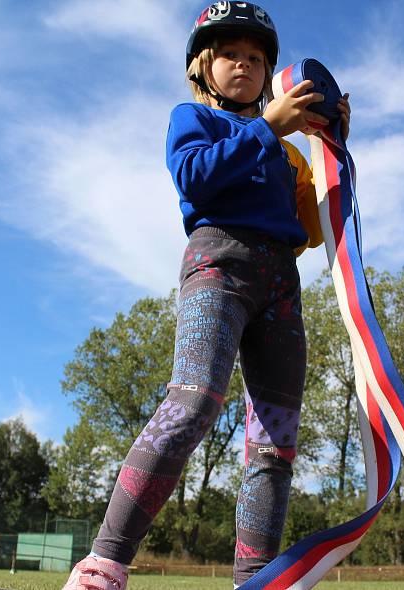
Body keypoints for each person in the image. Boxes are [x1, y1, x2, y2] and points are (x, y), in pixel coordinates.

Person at [62, 2, 350, 589]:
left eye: (255, 58)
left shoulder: (289, 153)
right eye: (229, 55)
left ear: (269, 73)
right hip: (218, 263)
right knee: (193, 401)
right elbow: (194, 177)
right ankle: (104, 563)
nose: (243, 65)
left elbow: (313, 226)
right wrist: (267, 126)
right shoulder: (193, 119)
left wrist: (332, 141)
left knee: (275, 442)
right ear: (202, 65)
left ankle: (256, 580)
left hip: (281, 286)